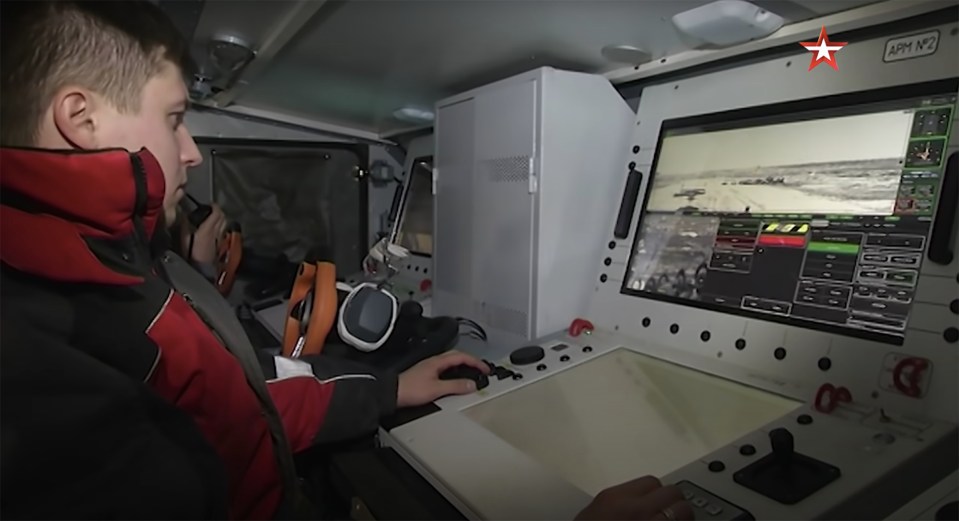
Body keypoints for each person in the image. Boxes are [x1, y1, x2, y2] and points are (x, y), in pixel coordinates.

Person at [0, 2, 692, 520]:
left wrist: (387, 391)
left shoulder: (114, 268)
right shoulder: (45, 336)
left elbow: (236, 409)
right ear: (80, 118)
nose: (191, 153)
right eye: (176, 117)